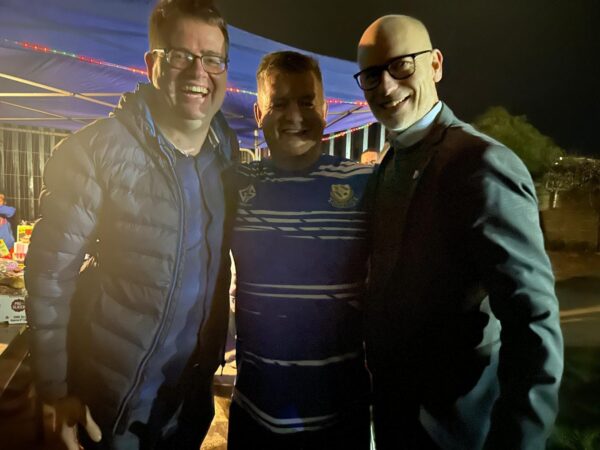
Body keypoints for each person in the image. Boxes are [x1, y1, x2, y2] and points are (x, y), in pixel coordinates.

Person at [24, 0, 238, 448]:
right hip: (109, 404)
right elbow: (49, 279)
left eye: (212, 59)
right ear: (151, 64)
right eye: (180, 55)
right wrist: (54, 392)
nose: (198, 72)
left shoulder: (226, 150)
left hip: (188, 403)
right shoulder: (95, 152)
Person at [355, 15, 563, 450]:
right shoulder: (391, 164)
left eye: (401, 66)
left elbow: (533, 324)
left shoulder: (480, 163)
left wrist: (520, 439)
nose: (386, 86)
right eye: (372, 75)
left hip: (459, 430)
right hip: (396, 423)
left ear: (435, 64)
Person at [226, 51, 373, 449]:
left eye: (307, 102)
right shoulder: (234, 184)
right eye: (279, 103)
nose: (295, 116)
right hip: (257, 412)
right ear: (259, 113)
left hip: (340, 418)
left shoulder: (364, 184)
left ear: (324, 109)